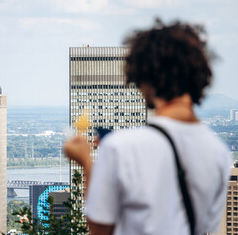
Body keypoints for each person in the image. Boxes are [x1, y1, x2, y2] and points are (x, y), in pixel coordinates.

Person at [64, 19, 231, 235]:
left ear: (144, 78)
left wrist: (86, 161)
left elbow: (99, 229)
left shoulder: (121, 146)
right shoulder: (219, 153)